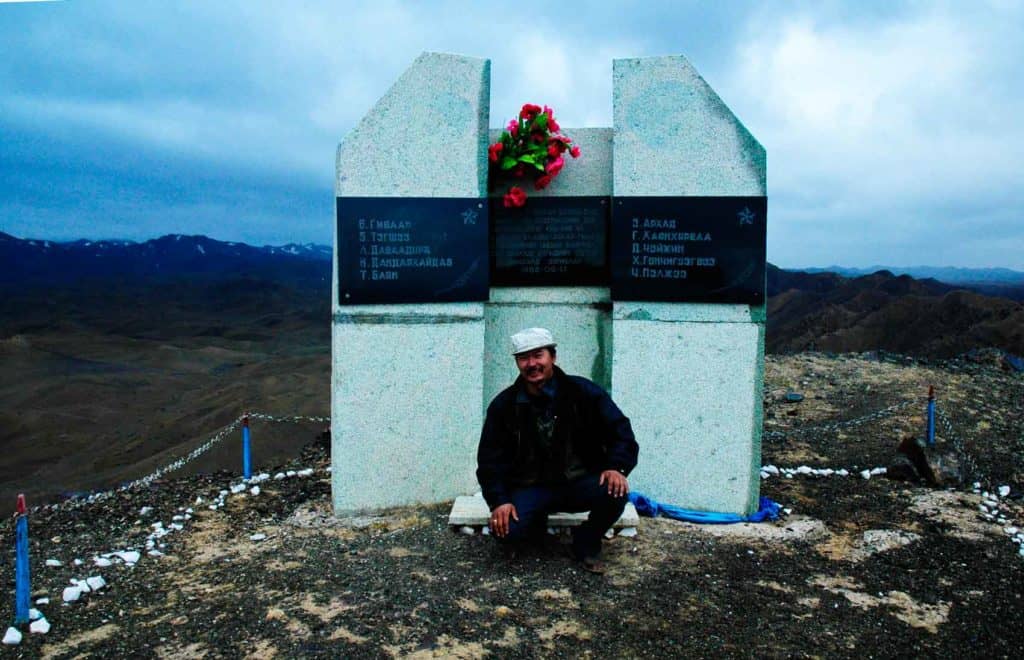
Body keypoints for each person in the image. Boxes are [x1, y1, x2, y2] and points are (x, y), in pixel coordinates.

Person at [476, 327, 639, 573]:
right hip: (530, 487)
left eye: (538, 355)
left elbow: (621, 432)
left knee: (615, 491)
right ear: (517, 363)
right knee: (506, 531)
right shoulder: (504, 405)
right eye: (524, 358)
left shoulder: (584, 393)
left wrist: (616, 466)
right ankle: (533, 527)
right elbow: (489, 460)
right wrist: (500, 501)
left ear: (552, 356)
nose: (531, 364)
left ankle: (587, 541)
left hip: (577, 483)